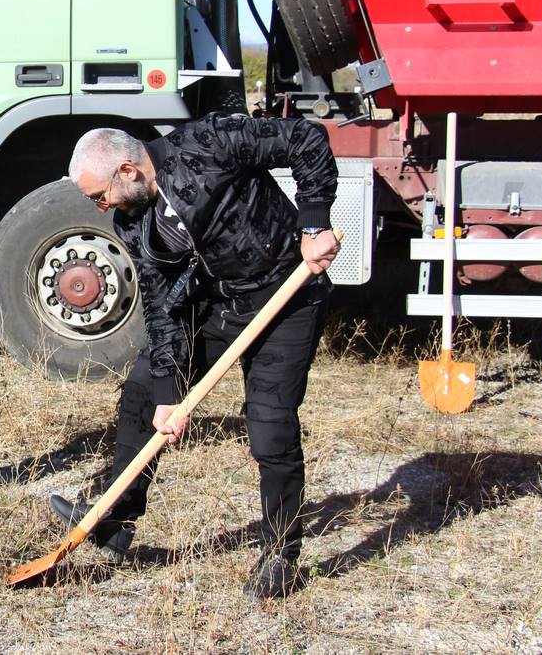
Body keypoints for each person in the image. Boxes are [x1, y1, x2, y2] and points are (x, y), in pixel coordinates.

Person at [54, 115, 339, 599]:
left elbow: (305, 139)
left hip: (286, 295)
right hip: (218, 302)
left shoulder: (209, 143)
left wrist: (314, 221)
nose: (101, 209)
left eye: (100, 195)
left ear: (129, 170)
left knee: (270, 425)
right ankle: (115, 520)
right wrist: (169, 394)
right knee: (145, 389)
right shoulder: (133, 221)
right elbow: (161, 307)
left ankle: (280, 556)